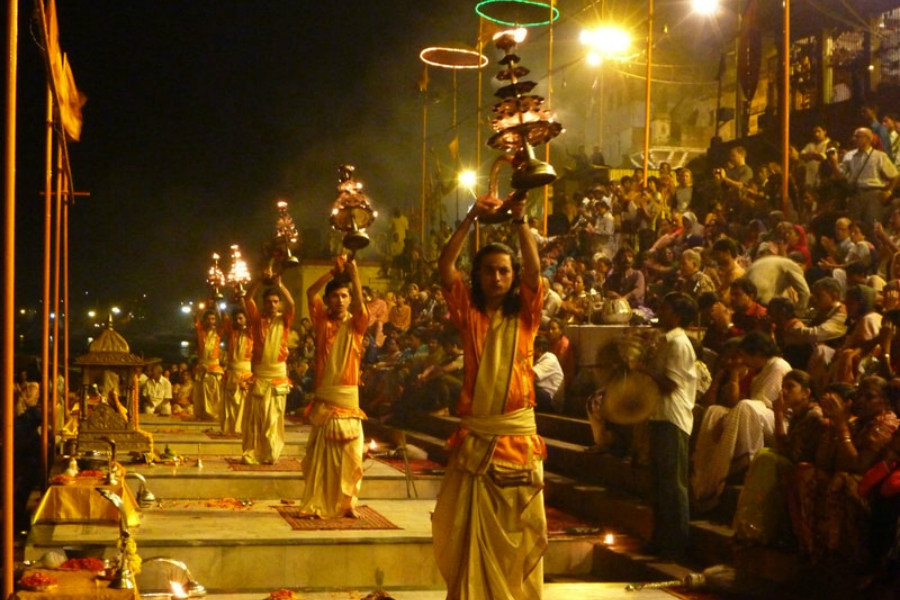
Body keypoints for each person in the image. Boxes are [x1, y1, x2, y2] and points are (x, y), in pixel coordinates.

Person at [432, 194, 547, 599]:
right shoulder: (468, 312)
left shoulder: (526, 314)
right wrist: (469, 218)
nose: (496, 278)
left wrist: (519, 221)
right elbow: (445, 267)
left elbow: (535, 269)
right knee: (470, 536)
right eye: (488, 271)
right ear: (478, 277)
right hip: (478, 439)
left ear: (513, 277)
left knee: (515, 534)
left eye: (503, 271)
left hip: (516, 438)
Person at [299, 256, 368, 518]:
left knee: (352, 456)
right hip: (326, 397)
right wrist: (333, 272)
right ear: (328, 300)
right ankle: (320, 499)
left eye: (344, 296)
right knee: (322, 457)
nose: (340, 300)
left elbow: (363, 309)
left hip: (349, 397)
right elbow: (310, 292)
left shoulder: (356, 325)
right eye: (335, 296)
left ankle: (348, 502)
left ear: (350, 299)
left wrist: (355, 275)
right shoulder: (320, 320)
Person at [638, 292, 698, 561]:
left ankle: (676, 544)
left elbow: (670, 384)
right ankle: (661, 538)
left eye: (666, 306)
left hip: (672, 417)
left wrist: (642, 368)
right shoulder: (666, 341)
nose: (661, 309)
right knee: (659, 483)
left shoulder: (679, 344)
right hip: (660, 415)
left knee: (674, 484)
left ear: (677, 314)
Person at [241, 272, 295, 465]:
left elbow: (292, 305)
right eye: (269, 301)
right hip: (260, 375)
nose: (272, 305)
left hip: (278, 376)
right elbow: (247, 299)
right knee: (257, 417)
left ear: (279, 304)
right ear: (263, 303)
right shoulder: (257, 321)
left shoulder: (285, 321)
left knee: (274, 417)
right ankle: (254, 452)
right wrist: (258, 281)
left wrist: (281, 285)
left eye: (275, 301)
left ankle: (271, 452)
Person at [222, 307, 253, 434]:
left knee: (243, 401)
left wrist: (243, 301)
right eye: (236, 319)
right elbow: (224, 319)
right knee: (230, 402)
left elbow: (253, 317)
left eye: (241, 318)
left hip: (245, 371)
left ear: (246, 319)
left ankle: (242, 427)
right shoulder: (232, 333)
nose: (238, 321)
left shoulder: (251, 333)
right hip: (232, 371)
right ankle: (230, 427)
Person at [192, 306, 224, 422]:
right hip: (202, 365)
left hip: (214, 367)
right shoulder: (200, 331)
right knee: (201, 391)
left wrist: (216, 305)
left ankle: (214, 415)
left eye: (213, 319)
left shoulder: (218, 333)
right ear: (205, 320)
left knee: (214, 392)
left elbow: (224, 321)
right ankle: (202, 415)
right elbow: (196, 317)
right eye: (209, 319)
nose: (211, 321)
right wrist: (203, 306)